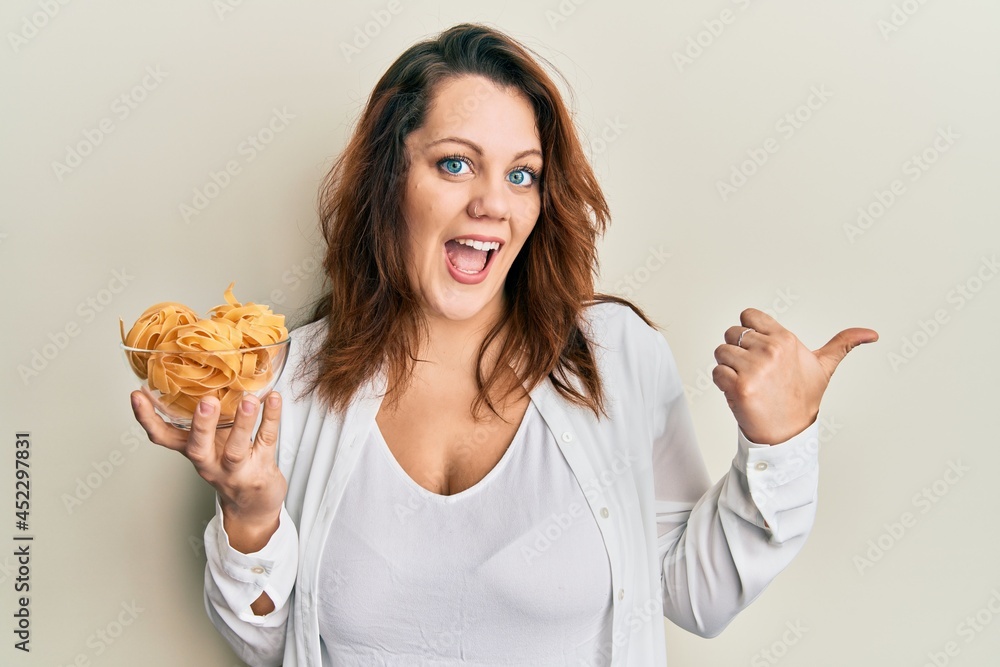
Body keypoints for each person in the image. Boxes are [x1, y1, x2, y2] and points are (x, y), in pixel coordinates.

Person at [129, 22, 878, 667]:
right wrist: (249, 510)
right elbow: (270, 643)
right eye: (455, 163)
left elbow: (694, 593)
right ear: (391, 181)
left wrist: (780, 444)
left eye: (522, 174)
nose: (492, 202)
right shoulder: (292, 378)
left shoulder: (614, 359)